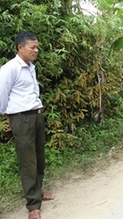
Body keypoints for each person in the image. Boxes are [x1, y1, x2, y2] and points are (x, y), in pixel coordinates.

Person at [0, 31, 53, 219]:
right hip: (21, 119)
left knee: (39, 157)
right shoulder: (9, 69)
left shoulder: (30, 67)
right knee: (28, 161)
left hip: (36, 116)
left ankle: (37, 192)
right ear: (20, 48)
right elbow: (2, 95)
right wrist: (9, 118)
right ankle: (33, 205)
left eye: (37, 47)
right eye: (33, 47)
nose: (36, 50)